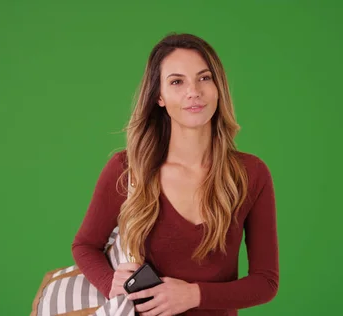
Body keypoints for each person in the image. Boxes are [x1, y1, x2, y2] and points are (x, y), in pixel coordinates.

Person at [71, 33, 279, 316]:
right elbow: (85, 245)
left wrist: (193, 295)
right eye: (177, 82)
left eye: (204, 78)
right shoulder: (129, 169)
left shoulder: (251, 174)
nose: (193, 91)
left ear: (218, 88)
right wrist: (111, 283)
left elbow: (266, 282)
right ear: (159, 96)